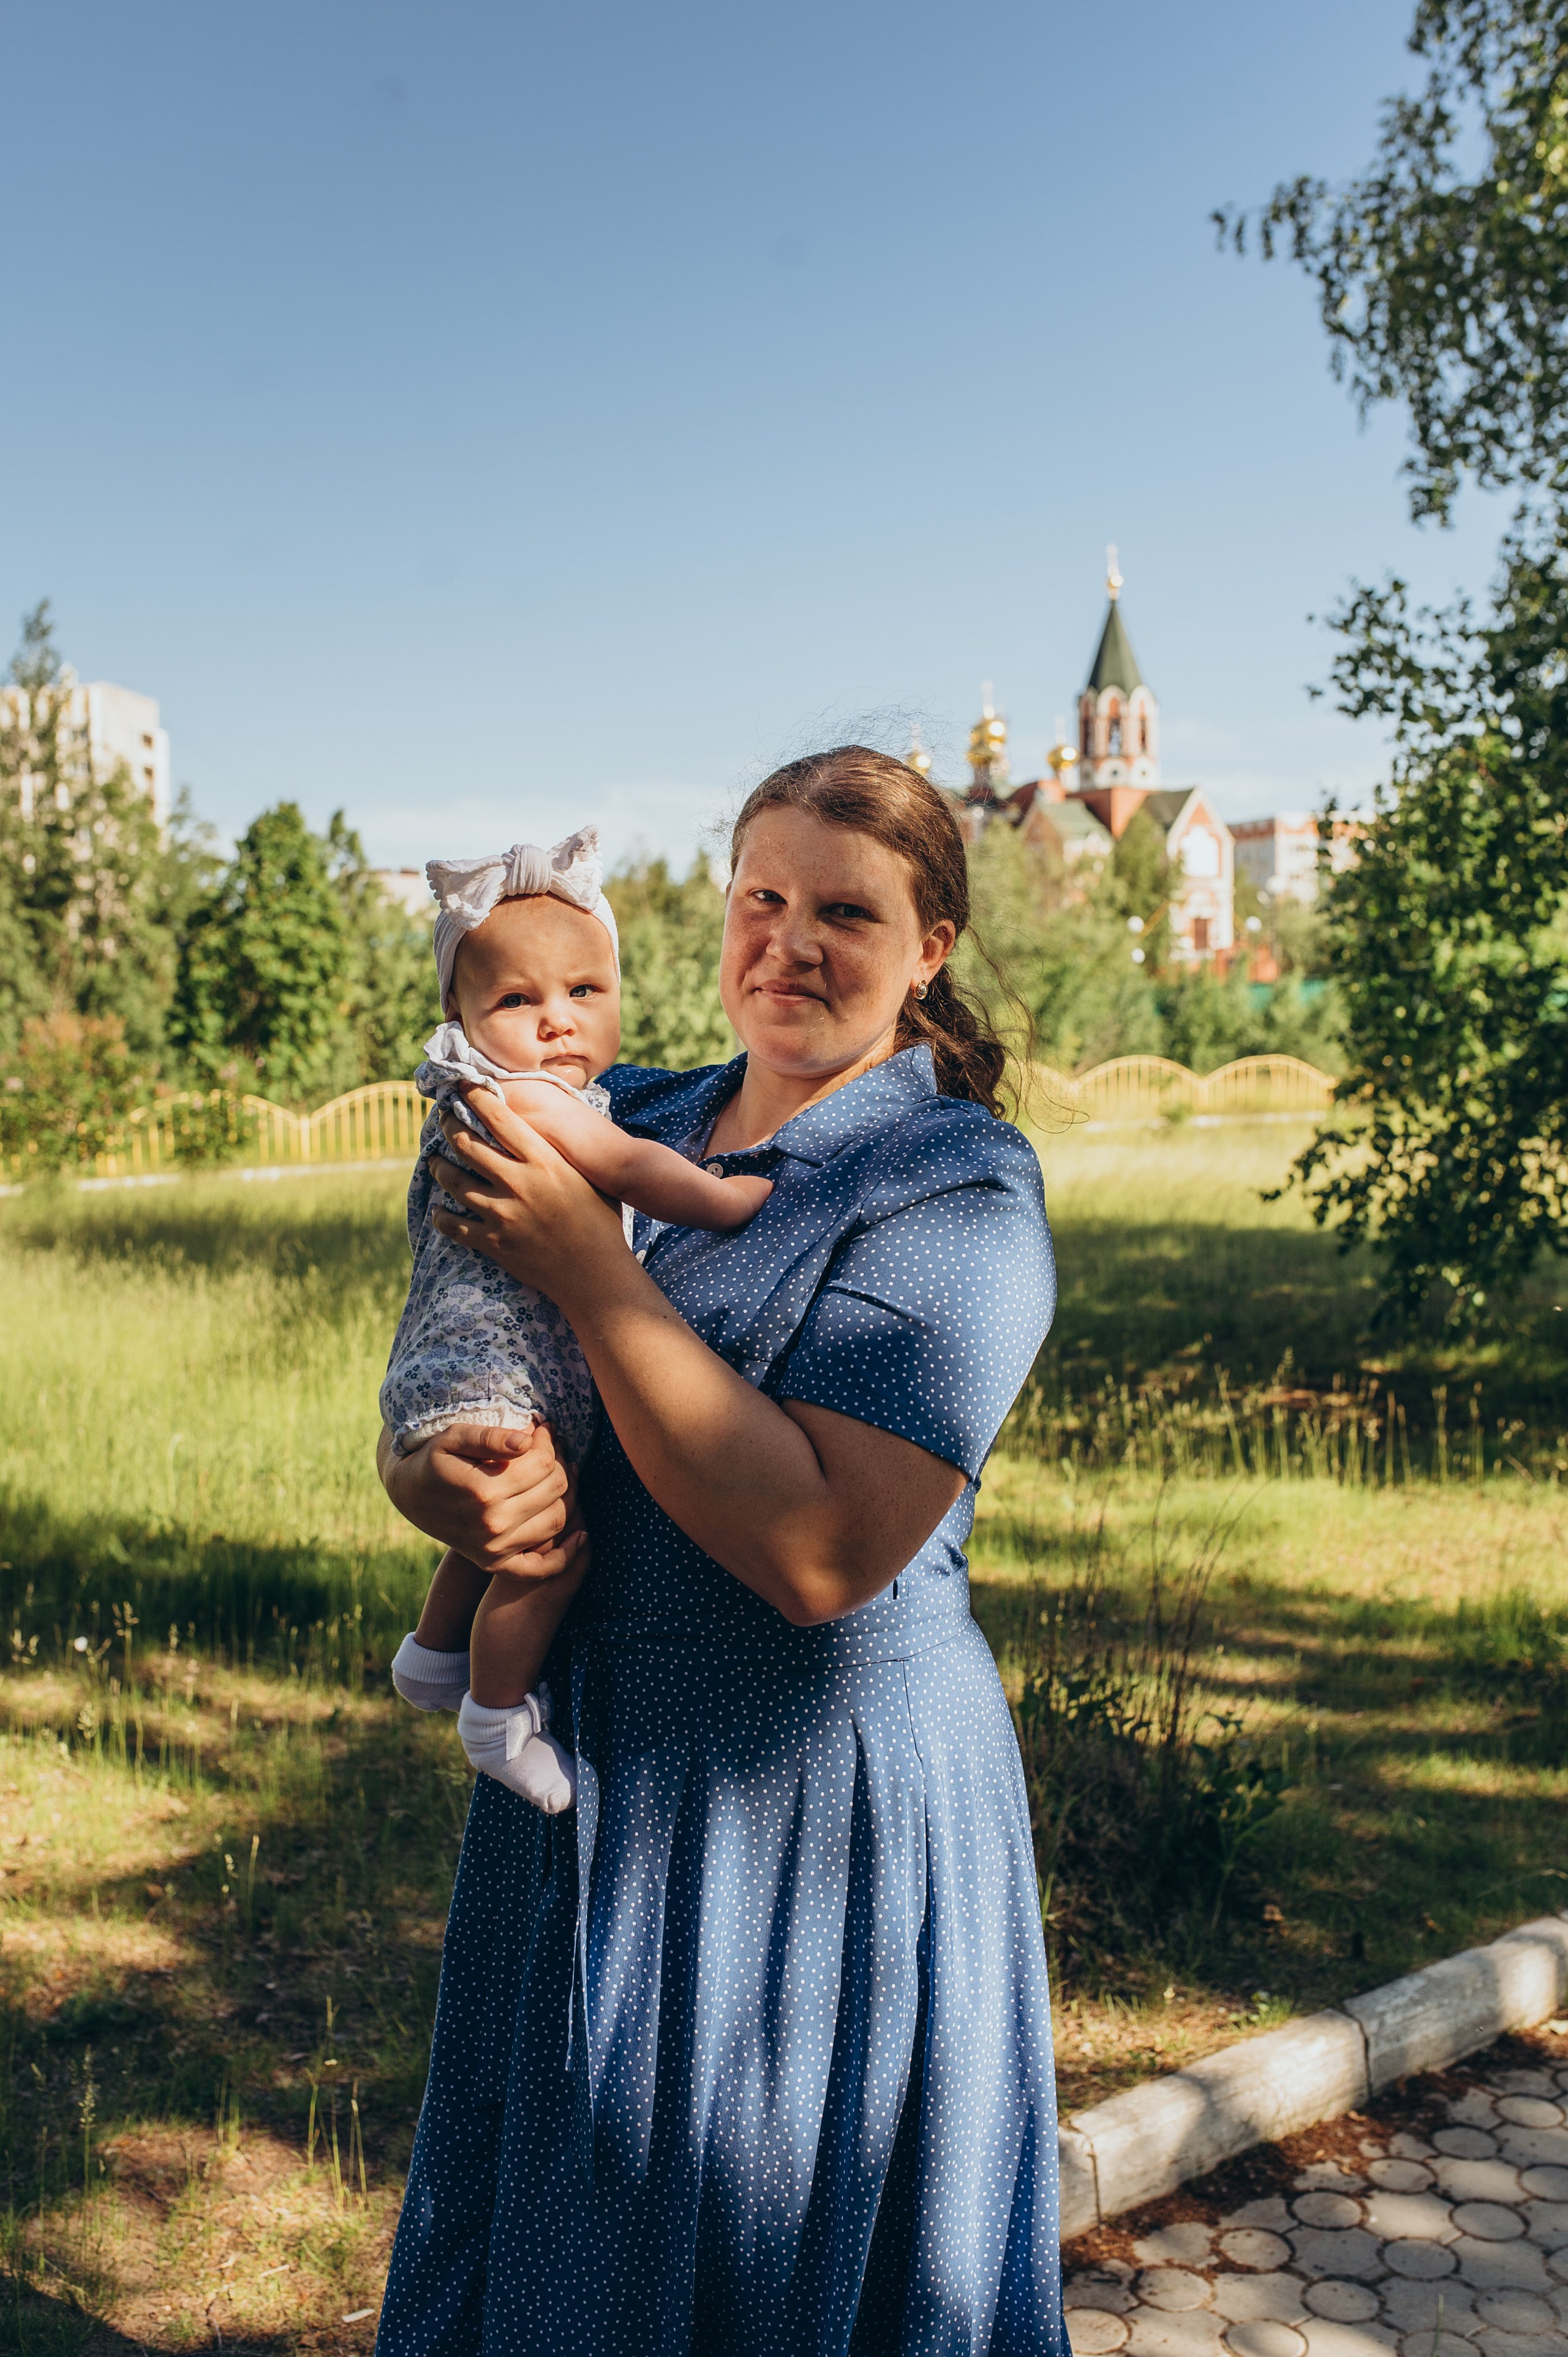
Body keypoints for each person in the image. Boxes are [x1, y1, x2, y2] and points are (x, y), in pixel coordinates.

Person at [374, 748, 1065, 2356]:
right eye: (763, 897)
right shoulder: (633, 1109)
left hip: (810, 1812)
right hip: (596, 1784)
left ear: (931, 946)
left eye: (847, 913)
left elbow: (821, 1551)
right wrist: (442, 1488)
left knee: (772, 2260)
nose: (789, 943)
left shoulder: (957, 1189)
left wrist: (591, 1268)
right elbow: (456, 1344)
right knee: (566, 2258)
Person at [383, 826, 771, 1812]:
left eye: (584, 990)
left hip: (451, 1376)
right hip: (502, 1379)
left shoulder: (468, 1098)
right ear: (461, 1014)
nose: (557, 1020)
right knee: (548, 1558)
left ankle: (432, 1655)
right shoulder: (533, 1101)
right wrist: (725, 1200)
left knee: (494, 1534)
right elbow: (636, 1168)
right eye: (518, 1001)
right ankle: (495, 1719)